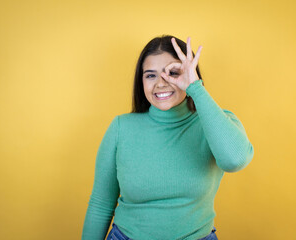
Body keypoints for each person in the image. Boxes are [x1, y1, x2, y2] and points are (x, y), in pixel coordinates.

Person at [81, 35, 254, 240]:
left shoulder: (215, 123)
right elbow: (101, 204)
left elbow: (235, 160)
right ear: (141, 81)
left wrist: (195, 88)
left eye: (172, 73)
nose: (161, 83)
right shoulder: (121, 128)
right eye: (150, 75)